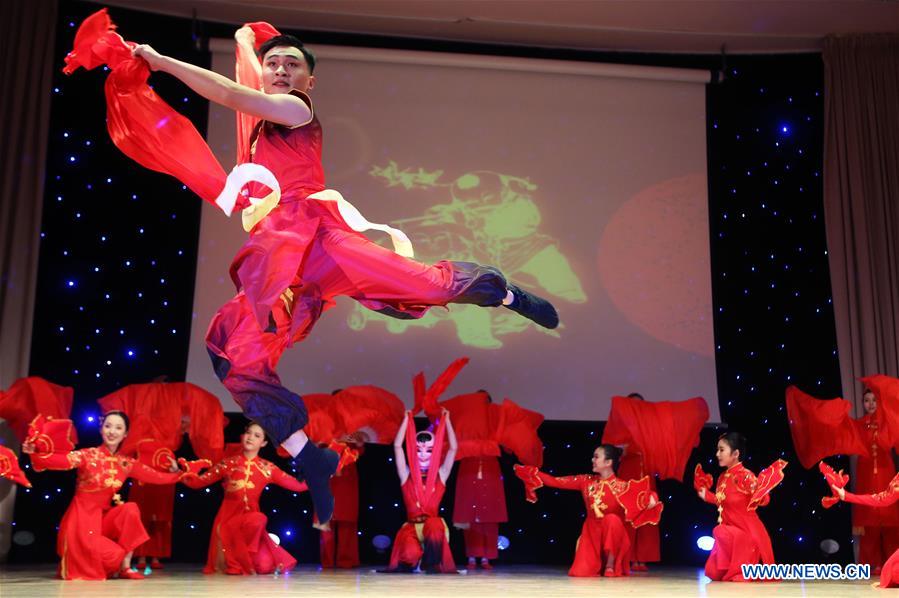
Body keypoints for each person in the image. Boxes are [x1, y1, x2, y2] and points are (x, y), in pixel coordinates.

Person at [112, 21, 560, 527]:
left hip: (321, 240)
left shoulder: (295, 110)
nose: (281, 70)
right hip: (282, 260)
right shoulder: (260, 126)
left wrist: (161, 60)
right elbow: (241, 96)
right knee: (234, 357)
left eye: (292, 65)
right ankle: (310, 455)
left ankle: (500, 292)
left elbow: (228, 92)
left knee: (425, 285)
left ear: (308, 81)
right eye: (273, 63)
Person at [23, 411, 182, 580]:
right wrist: (35, 453)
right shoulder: (87, 455)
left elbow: (156, 477)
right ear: (101, 429)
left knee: (130, 509)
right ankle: (107, 563)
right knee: (112, 555)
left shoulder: (126, 463)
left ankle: (125, 568)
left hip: (101, 520)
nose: (112, 431)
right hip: (81, 521)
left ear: (125, 434)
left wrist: (178, 474)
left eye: (118, 428)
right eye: (108, 426)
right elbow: (59, 461)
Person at [514, 444, 662, 577]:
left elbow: (647, 496)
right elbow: (556, 481)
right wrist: (533, 473)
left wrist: (651, 499)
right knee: (579, 573)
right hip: (591, 533)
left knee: (612, 519)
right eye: (593, 456)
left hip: (613, 533)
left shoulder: (623, 487)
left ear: (608, 462)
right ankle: (597, 562)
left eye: (596, 457)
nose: (592, 459)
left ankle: (610, 564)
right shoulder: (586, 481)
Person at [180, 422, 308, 574]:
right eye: (248, 432)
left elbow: (297, 485)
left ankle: (245, 560)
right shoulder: (228, 463)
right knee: (229, 564)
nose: (250, 437)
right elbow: (199, 482)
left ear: (264, 443)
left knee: (264, 564)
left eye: (257, 435)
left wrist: (319, 475)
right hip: (227, 518)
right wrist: (180, 473)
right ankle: (237, 562)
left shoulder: (267, 468)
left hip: (251, 523)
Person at [695, 433, 777, 582]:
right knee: (718, 536)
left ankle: (744, 566)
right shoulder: (722, 477)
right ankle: (733, 566)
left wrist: (759, 493)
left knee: (722, 532)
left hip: (747, 531)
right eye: (717, 450)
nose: (717, 454)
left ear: (736, 453)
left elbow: (765, 499)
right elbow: (723, 501)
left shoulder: (745, 475)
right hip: (731, 529)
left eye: (721, 450)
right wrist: (707, 495)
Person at [386, 410, 458, 572]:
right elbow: (397, 446)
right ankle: (416, 560)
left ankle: (431, 563)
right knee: (409, 556)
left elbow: (453, 448)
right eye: (418, 450)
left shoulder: (441, 475)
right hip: (412, 527)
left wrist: (447, 421)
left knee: (434, 523)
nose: (423, 454)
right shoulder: (406, 475)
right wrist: (406, 419)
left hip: (433, 530)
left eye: (429, 450)